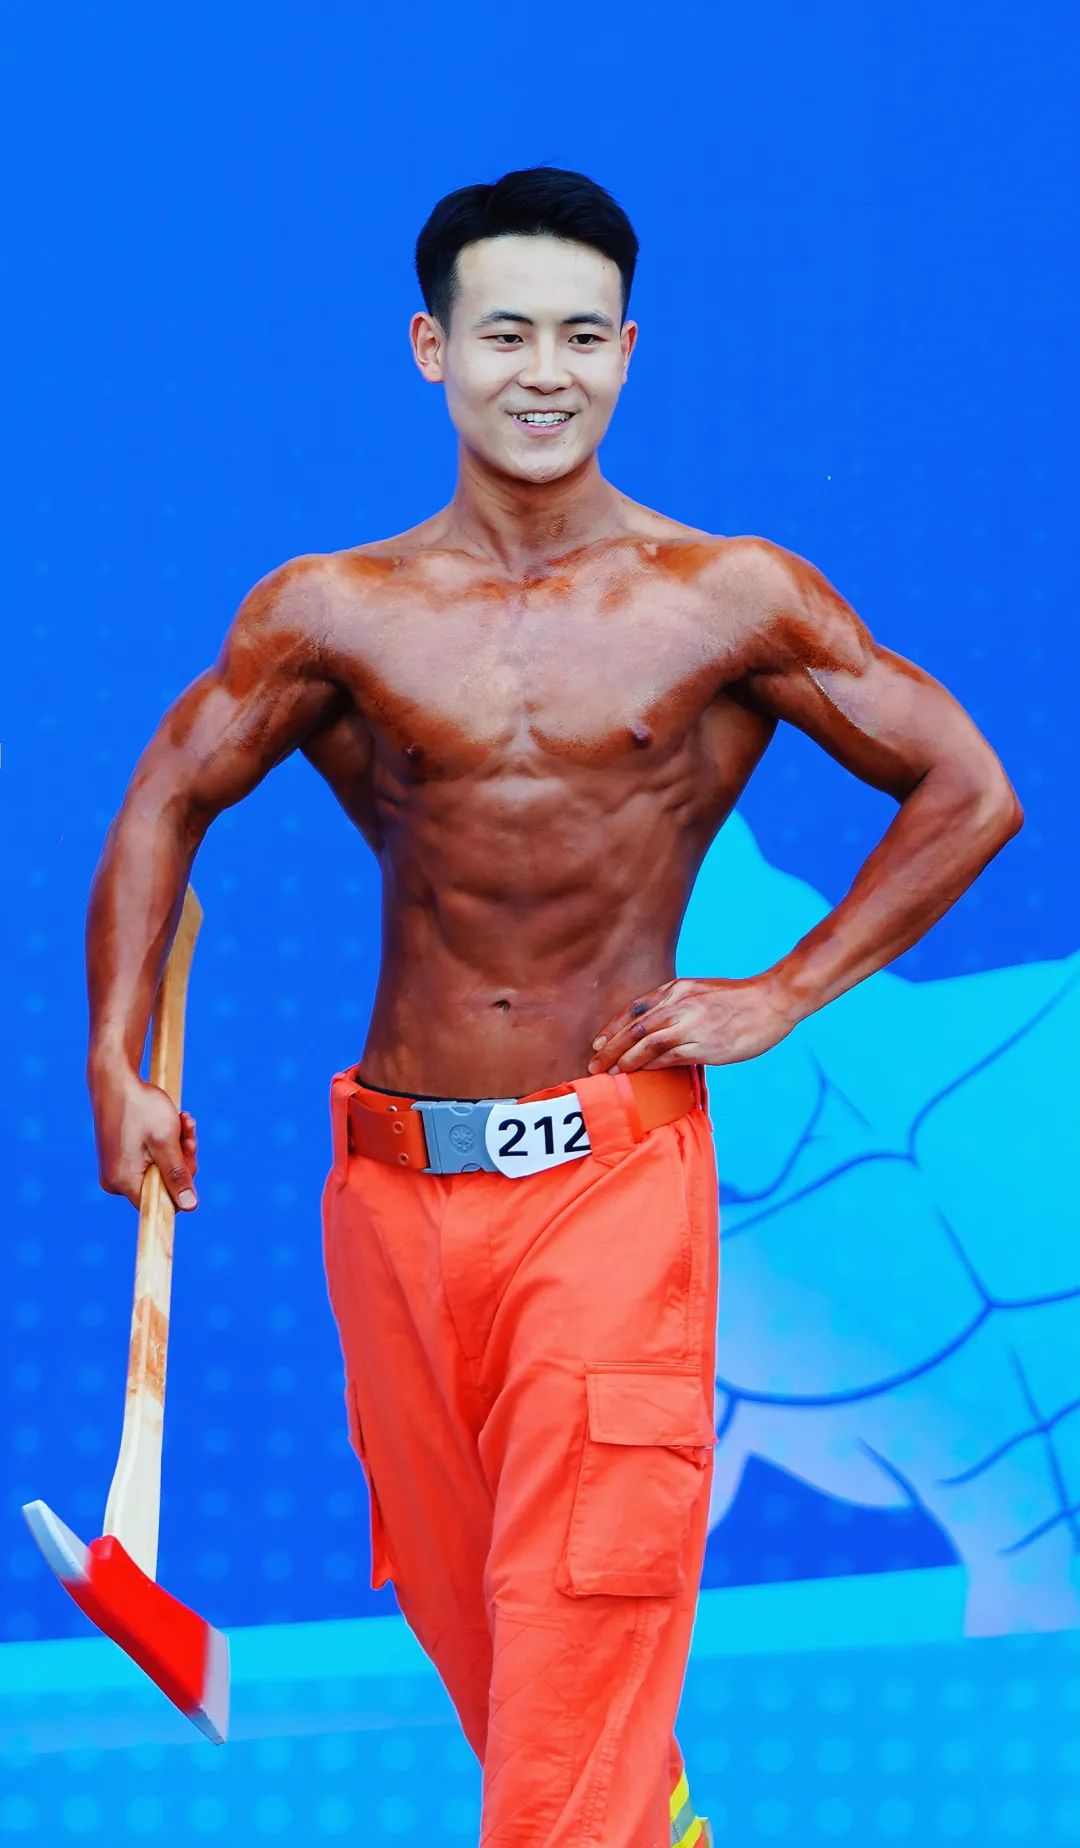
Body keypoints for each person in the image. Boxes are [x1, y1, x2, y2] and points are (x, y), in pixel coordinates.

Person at [85, 166, 1022, 1846]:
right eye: (507, 332)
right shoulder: (332, 611)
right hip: (389, 1199)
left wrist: (786, 995)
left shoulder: (727, 596)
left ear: (629, 353)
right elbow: (166, 798)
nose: (546, 371)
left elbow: (967, 788)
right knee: (498, 1653)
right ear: (432, 349)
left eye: (584, 337)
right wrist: (114, 1059)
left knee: (575, 1649)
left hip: (607, 1187)